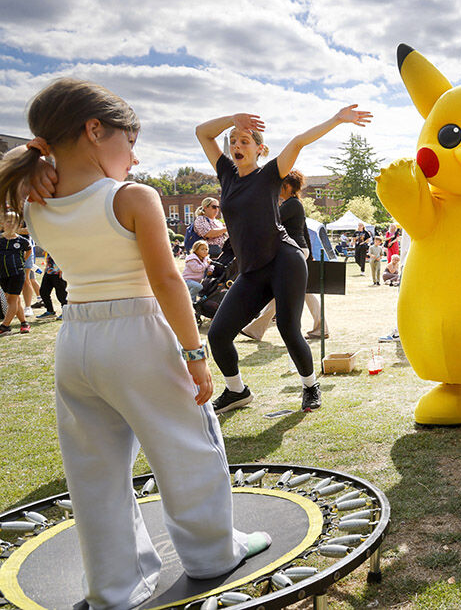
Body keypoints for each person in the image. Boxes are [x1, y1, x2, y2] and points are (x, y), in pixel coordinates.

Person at [4, 78, 271, 608]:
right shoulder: (133, 196)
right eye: (130, 140)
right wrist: (196, 356)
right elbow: (168, 282)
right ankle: (213, 552)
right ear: (95, 129)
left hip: (75, 341)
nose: (135, 153)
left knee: (94, 470)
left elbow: (26, 169)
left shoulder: (35, 199)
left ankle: (113, 586)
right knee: (188, 446)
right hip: (138, 334)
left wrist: (35, 158)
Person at [196, 105, 370, 413]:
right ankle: (237, 392)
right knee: (220, 333)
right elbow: (202, 132)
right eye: (233, 140)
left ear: (260, 149)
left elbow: (300, 141)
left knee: (289, 328)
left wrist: (337, 119)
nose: (237, 145)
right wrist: (231, 120)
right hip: (251, 270)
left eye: (244, 141)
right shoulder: (226, 173)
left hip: (283, 260)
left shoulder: (269, 175)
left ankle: (310, 385)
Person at [241, 169, 329, 341]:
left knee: (282, 291)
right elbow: (303, 231)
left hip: (293, 252)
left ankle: (256, 329)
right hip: (298, 251)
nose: (277, 189)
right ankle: (320, 327)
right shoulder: (295, 204)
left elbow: (272, 222)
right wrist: (308, 253)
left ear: (287, 186)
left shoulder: (291, 205)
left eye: (279, 186)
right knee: (296, 292)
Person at [0, 211, 30, 335]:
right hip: (2, 274)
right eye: (8, 221)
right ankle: (24, 323)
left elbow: (28, 251)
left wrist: (22, 262)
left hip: (17, 274)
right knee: (14, 300)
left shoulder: (22, 240)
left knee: (12, 299)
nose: (11, 224)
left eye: (14, 222)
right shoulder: (0, 239)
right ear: (2, 224)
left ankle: (5, 326)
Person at [37, 250, 68, 319]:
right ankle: (50, 311)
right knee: (43, 292)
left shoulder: (62, 245)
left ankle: (66, 313)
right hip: (49, 272)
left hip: (59, 273)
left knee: (61, 295)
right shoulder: (49, 245)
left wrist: (62, 269)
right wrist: (46, 268)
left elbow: (67, 257)